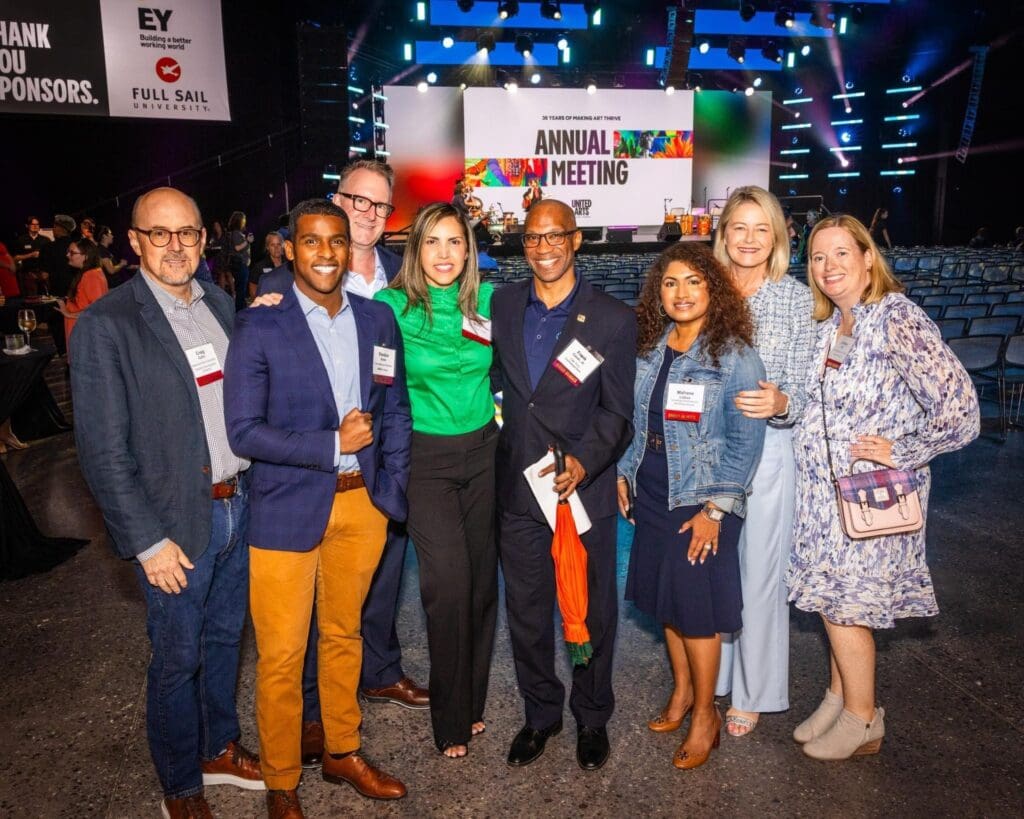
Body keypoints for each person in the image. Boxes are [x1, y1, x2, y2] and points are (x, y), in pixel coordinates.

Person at [71, 187, 265, 819]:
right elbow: (102, 451)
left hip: (239, 505)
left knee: (225, 640)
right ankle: (181, 786)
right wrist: (147, 541)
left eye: (186, 233)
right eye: (160, 233)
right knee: (178, 658)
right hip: (174, 524)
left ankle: (218, 747)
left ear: (204, 239)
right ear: (135, 241)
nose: (175, 245)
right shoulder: (107, 324)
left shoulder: (219, 302)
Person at [224, 198, 412, 815]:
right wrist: (333, 445)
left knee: (344, 636)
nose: (326, 253)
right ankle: (281, 781)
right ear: (289, 249)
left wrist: (391, 488)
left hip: (362, 507)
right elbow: (243, 432)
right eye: (311, 241)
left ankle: (342, 750)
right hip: (285, 509)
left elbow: (395, 410)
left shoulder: (377, 319)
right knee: (281, 656)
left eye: (336, 241)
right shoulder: (260, 325)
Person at [787, 214, 979, 760]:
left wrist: (902, 450)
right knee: (832, 600)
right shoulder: (833, 325)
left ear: (869, 258)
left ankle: (863, 719)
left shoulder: (897, 318)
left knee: (847, 607)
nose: (828, 266)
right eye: (818, 257)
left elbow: (962, 412)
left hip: (870, 495)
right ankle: (838, 698)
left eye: (841, 254)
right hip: (823, 501)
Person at [257, 159, 425, 770]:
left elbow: (397, 393)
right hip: (305, 481)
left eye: (381, 206)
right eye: (358, 200)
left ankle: (377, 676)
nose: (368, 214)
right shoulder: (281, 286)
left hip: (378, 473)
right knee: (303, 617)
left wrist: (395, 481)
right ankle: (310, 717)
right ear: (337, 199)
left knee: (375, 590)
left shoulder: (401, 278)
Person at [491, 199, 637, 771]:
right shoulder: (503, 304)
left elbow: (617, 412)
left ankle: (592, 715)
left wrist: (585, 461)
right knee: (526, 612)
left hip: (581, 490)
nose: (544, 247)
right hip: (518, 491)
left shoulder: (612, 318)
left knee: (593, 612)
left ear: (576, 241)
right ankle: (541, 714)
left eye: (556, 236)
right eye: (533, 237)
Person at [617, 243, 766, 771]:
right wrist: (624, 472)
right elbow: (638, 423)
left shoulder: (734, 356)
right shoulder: (651, 348)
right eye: (670, 283)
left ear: (713, 289)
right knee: (668, 603)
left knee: (697, 612)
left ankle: (706, 714)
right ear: (658, 292)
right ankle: (682, 693)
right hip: (653, 489)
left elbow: (746, 443)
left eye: (693, 281)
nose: (681, 293)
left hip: (701, 499)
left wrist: (715, 511)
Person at [375, 203, 498, 759]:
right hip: (425, 460)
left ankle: (471, 702)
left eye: (455, 242)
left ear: (468, 250)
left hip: (485, 453)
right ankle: (450, 719)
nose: (444, 254)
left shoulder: (488, 301)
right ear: (415, 249)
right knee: (447, 587)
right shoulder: (390, 307)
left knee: (480, 587)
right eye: (432, 242)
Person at [710, 186, 816, 737]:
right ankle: (715, 676)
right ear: (723, 232)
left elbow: (805, 387)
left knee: (760, 573)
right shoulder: (704, 288)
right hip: (707, 448)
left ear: (777, 238)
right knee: (712, 568)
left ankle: (754, 693)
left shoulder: (794, 299)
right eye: (740, 227)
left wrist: (782, 403)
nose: (749, 240)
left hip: (770, 447)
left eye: (761, 229)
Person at [58, 240, 108, 345]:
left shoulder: (91, 275)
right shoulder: (89, 273)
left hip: (84, 335)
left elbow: (98, 309)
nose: (67, 255)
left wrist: (68, 314)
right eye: (68, 251)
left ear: (86, 256)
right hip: (82, 333)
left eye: (72, 253)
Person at [12, 216, 51, 296]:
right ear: (27, 226)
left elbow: (51, 257)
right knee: (31, 298)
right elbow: (15, 258)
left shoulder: (46, 240)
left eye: (37, 224)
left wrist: (47, 272)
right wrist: (30, 255)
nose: (35, 226)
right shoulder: (21, 240)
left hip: (43, 274)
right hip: (28, 273)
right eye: (33, 224)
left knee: (45, 297)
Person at [248, 231, 287, 300]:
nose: (276, 248)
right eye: (272, 245)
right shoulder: (259, 267)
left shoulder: (290, 264)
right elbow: (253, 289)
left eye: (278, 244)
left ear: (283, 245)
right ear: (267, 247)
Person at [226, 211, 252, 311]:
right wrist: (247, 241)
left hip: (241, 264)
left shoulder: (237, 233)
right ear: (239, 221)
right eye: (243, 220)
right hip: (240, 264)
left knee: (241, 288)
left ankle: (240, 308)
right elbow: (237, 248)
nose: (244, 222)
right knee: (241, 289)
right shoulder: (236, 233)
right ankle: (240, 309)